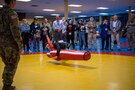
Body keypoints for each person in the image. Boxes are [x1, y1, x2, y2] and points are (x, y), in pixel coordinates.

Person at [0, 0, 22, 90]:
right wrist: (20, 45)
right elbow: (15, 31)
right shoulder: (11, 13)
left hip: (0, 44)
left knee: (7, 63)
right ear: (12, 1)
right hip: (10, 44)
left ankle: (6, 83)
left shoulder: (0, 12)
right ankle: (6, 86)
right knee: (12, 64)